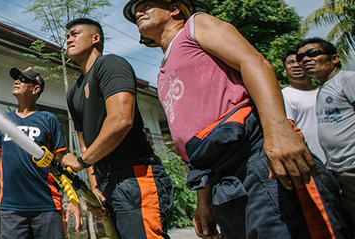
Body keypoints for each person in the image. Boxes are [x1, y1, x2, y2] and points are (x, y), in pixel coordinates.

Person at [123, 1, 353, 238]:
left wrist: (280, 132)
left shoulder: (196, 26)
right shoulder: (162, 74)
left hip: (255, 157)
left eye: (146, 5)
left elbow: (254, 62)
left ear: (175, 8)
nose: (138, 12)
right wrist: (203, 200)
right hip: (220, 178)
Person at [58, 18, 174, 239]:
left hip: (135, 177)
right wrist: (95, 190)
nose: (69, 39)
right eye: (67, 36)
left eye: (74, 33)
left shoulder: (110, 65)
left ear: (95, 38)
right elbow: (85, 143)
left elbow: (121, 120)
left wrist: (81, 162)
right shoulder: (74, 92)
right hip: (108, 182)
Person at [0, 67, 81, 238]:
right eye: (16, 79)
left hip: (46, 205)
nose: (16, 82)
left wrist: (73, 200)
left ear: (35, 88)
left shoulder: (48, 120)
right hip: (11, 207)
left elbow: (61, 162)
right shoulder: (4, 121)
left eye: (23, 80)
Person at [297, 37, 355, 219]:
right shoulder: (323, 88)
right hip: (339, 170)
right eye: (301, 58)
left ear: (335, 59)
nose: (305, 60)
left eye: (312, 53)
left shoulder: (347, 80)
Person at [280, 49, 326, 163]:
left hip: (339, 161)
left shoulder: (325, 91)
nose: (295, 65)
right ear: (285, 70)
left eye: (299, 61)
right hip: (310, 161)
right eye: (290, 62)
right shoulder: (283, 96)